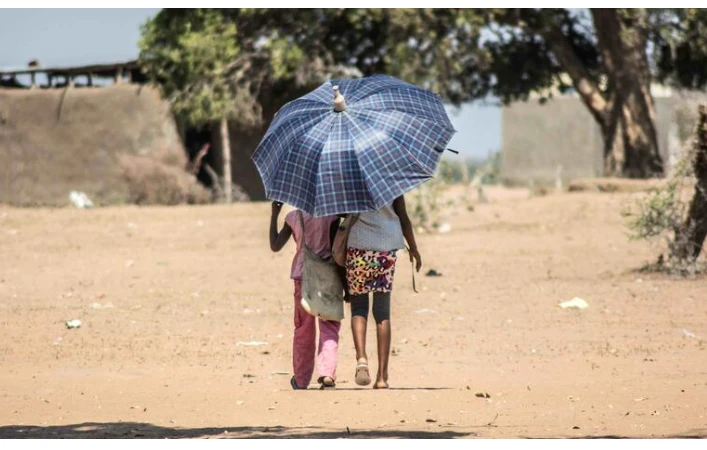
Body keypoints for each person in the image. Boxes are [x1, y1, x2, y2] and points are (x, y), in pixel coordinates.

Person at [345, 195, 422, 389]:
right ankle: (382, 377)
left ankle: (361, 358)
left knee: (359, 308)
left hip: (358, 247)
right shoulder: (390, 181)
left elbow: (341, 214)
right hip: (385, 250)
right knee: (382, 313)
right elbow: (403, 217)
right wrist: (413, 248)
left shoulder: (351, 179)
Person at [270, 201, 342, 390]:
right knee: (329, 325)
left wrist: (274, 214)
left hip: (302, 275)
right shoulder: (334, 216)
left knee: (303, 328)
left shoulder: (294, 217)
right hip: (328, 274)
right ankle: (327, 373)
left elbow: (275, 245)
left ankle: (301, 379)